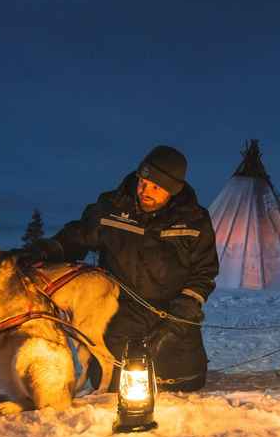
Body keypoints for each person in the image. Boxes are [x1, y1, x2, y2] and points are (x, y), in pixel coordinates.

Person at [29, 145, 218, 391]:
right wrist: (46, 250)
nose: (144, 191)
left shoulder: (195, 219)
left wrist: (183, 312)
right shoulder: (112, 208)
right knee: (118, 382)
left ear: (172, 190)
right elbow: (76, 237)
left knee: (186, 381)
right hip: (120, 309)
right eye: (143, 181)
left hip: (171, 314)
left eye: (155, 187)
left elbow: (204, 271)